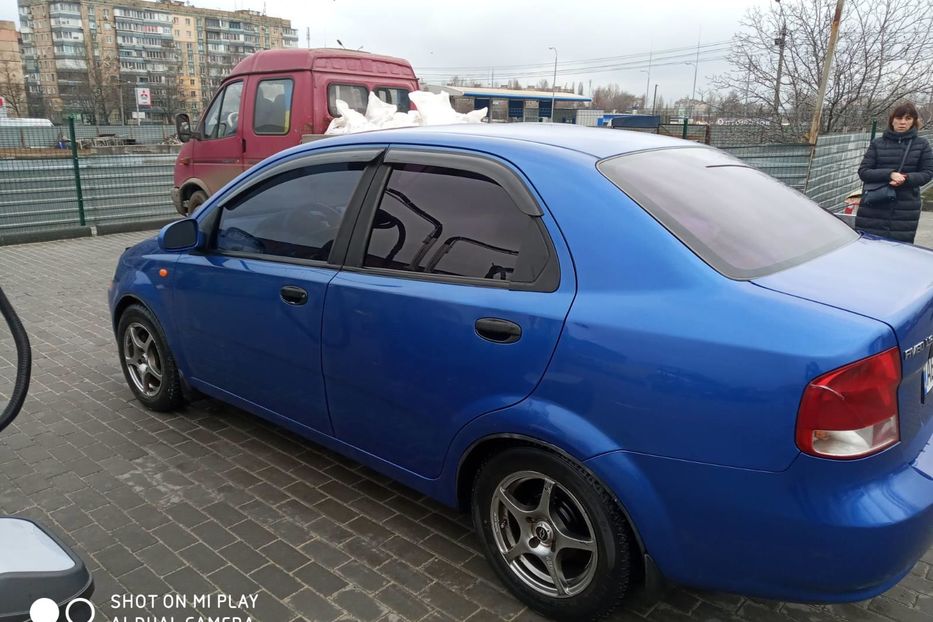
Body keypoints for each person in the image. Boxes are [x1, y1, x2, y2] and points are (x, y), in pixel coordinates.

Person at [856, 102, 933, 243]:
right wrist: (889, 174)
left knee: (898, 251)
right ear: (892, 120)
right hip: (875, 204)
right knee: (868, 248)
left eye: (908, 118)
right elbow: (864, 171)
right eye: (899, 118)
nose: (902, 122)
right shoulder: (877, 143)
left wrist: (906, 178)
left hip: (905, 208)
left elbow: (927, 173)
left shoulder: (922, 144)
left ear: (914, 121)